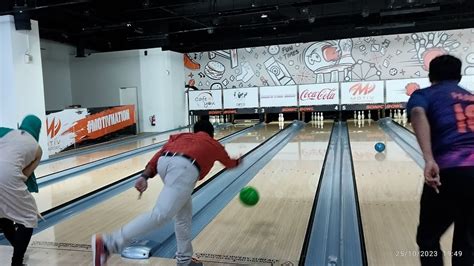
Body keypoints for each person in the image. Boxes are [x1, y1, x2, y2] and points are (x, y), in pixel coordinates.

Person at [92, 119, 241, 266]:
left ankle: (184, 259)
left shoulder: (180, 137)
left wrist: (144, 177)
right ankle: (109, 243)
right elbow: (229, 163)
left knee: (183, 217)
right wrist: (239, 161)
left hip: (165, 163)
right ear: (211, 133)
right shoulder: (213, 143)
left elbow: (158, 156)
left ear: (195, 131)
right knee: (161, 215)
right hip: (184, 169)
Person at [407, 54, 474, 266]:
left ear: (430, 76)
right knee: (466, 241)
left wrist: (428, 159)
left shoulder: (423, 95)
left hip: (450, 172)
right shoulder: (471, 97)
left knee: (427, 238)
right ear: (459, 76)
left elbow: (417, 114)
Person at [0, 115, 43, 266]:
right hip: (6, 177)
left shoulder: (7, 132)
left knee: (4, 216)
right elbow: (25, 175)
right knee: (29, 218)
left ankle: (18, 248)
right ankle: (17, 262)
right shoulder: (37, 149)